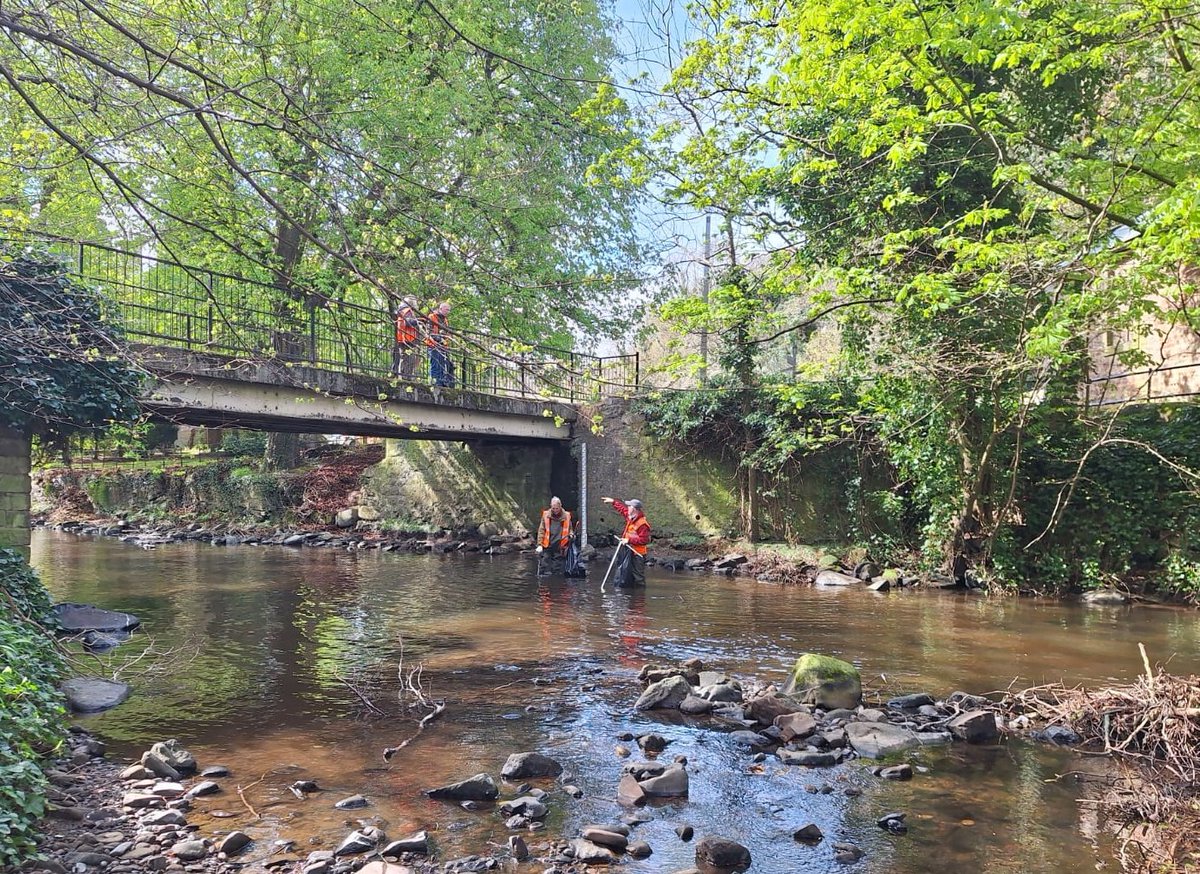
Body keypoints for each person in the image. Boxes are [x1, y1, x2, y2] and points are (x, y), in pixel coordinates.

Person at [602, 496, 650, 587]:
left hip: (638, 554)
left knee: (638, 577)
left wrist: (628, 540)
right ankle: (630, 596)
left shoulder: (642, 524)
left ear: (634, 509)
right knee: (626, 573)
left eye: (629, 506)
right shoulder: (630, 516)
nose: (627, 508)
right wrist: (613, 502)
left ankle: (639, 598)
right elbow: (622, 509)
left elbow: (644, 540)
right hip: (628, 550)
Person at [535, 496, 573, 574]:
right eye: (553, 508)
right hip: (547, 545)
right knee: (544, 567)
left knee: (557, 569)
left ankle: (556, 582)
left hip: (560, 546)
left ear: (560, 506)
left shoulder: (567, 516)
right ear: (551, 506)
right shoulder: (546, 515)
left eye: (557, 508)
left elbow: (570, 529)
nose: (555, 510)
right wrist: (539, 544)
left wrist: (571, 535)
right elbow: (541, 530)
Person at [393, 296, 421, 379]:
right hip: (407, 338)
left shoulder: (402, 311)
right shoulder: (407, 311)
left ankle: (405, 376)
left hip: (405, 338)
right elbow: (408, 322)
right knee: (408, 359)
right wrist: (418, 321)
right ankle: (406, 377)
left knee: (406, 358)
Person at [426, 301, 454, 387]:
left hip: (442, 346)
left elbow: (446, 332)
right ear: (441, 309)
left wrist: (445, 339)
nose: (448, 312)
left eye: (449, 310)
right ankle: (435, 382)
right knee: (435, 364)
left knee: (442, 365)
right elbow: (429, 332)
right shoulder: (432, 317)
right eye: (446, 310)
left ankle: (441, 382)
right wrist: (440, 339)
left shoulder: (445, 320)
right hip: (433, 344)